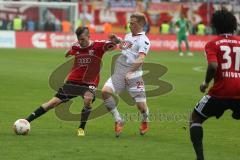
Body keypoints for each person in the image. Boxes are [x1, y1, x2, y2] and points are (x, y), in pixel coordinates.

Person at [24, 26, 118, 136]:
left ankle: (81, 128)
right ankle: (26, 121)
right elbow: (70, 51)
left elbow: (114, 45)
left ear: (89, 36)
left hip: (90, 82)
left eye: (83, 39)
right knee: (53, 103)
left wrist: (115, 39)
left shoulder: (98, 45)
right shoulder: (76, 47)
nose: (80, 42)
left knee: (88, 99)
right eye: (79, 39)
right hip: (73, 81)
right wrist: (68, 52)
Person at [189, 10, 239, 160]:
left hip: (220, 92)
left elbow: (212, 65)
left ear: (215, 26)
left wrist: (205, 83)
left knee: (196, 118)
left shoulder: (212, 44)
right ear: (234, 25)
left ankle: (200, 158)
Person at [102, 12, 151, 137]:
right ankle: (118, 120)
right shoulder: (128, 35)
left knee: (141, 107)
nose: (130, 25)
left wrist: (130, 72)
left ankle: (145, 119)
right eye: (130, 22)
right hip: (120, 72)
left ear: (140, 24)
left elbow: (140, 59)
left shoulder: (144, 40)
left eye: (133, 23)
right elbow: (126, 45)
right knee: (105, 91)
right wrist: (117, 40)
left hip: (134, 75)